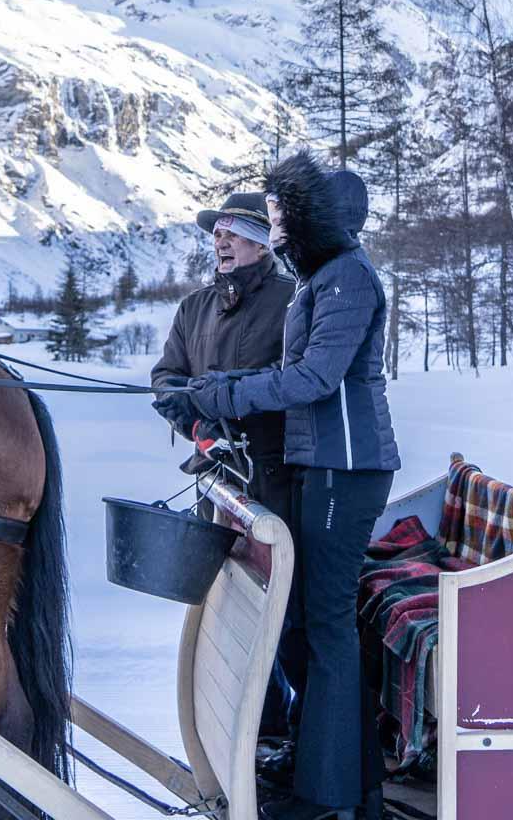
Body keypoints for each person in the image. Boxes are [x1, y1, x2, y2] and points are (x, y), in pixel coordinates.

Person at [154, 151, 399, 820]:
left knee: (324, 627)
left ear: (319, 218)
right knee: (319, 626)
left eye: (283, 215)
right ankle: (338, 781)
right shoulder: (324, 279)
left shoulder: (347, 281)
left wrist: (227, 392)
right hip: (320, 463)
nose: (277, 225)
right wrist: (210, 402)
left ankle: (332, 795)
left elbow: (316, 379)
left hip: (344, 466)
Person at [149, 191, 297, 737]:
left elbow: (296, 385)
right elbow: (165, 381)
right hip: (216, 480)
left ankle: (284, 726)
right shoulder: (194, 308)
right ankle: (250, 724)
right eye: (217, 232)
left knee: (277, 607)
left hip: (277, 477)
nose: (220, 239)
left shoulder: (291, 302)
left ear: (261, 241)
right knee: (227, 600)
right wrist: (199, 431)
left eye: (232, 230)